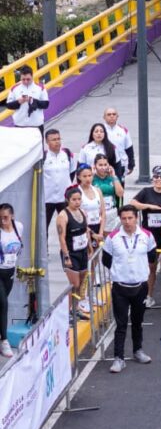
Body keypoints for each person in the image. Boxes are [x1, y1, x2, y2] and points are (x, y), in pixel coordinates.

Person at [103, 206, 158, 373]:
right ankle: (118, 358)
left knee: (137, 321)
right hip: (120, 287)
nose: (127, 222)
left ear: (136, 218)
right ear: (120, 219)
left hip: (140, 286)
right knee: (120, 325)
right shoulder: (113, 238)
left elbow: (152, 256)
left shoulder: (147, 236)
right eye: (124, 218)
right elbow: (106, 260)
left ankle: (137, 351)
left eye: (130, 218)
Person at [56, 187, 93, 320]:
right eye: (74, 200)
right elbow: (61, 237)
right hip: (71, 253)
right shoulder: (63, 215)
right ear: (68, 200)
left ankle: (75, 308)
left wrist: (89, 247)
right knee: (74, 285)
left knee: (81, 282)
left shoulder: (82, 212)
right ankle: (67, 312)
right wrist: (66, 256)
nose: (77, 202)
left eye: (79, 199)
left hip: (82, 250)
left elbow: (86, 230)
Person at [0, 204, 24, 357]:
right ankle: (5, 341)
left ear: (12, 216)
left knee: (0, 306)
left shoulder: (19, 227)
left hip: (9, 272)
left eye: (6, 218)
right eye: (0, 218)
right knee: (3, 303)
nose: (3, 221)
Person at [42, 129, 75, 229]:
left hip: (64, 197)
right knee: (44, 228)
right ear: (47, 142)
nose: (57, 141)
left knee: (68, 226)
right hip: (47, 198)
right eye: (53, 140)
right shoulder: (43, 157)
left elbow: (72, 172)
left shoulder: (67, 154)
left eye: (58, 139)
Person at [4, 66, 48, 131]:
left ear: (32, 77)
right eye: (23, 79)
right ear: (20, 77)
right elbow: (8, 105)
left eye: (28, 79)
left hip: (36, 125)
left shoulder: (40, 87)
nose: (26, 82)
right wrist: (18, 102)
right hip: (20, 125)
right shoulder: (15, 88)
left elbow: (46, 104)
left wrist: (32, 100)